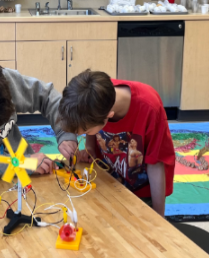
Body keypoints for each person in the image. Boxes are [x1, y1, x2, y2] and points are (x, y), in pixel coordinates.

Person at [58, 70, 175, 217]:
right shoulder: (96, 94)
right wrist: (89, 148)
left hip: (142, 190)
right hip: (109, 180)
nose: (85, 134)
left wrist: (159, 217)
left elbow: (156, 165)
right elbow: (90, 127)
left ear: (109, 116)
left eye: (86, 131)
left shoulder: (149, 108)